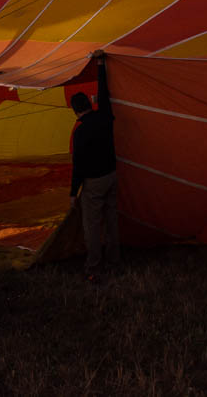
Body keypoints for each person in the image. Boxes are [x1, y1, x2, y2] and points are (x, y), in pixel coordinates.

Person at [69, 50, 120, 282]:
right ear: (90, 103)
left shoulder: (80, 132)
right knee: (111, 220)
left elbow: (78, 165)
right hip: (112, 174)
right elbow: (104, 93)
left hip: (94, 182)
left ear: (75, 111)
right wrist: (100, 64)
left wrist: (73, 192)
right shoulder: (104, 116)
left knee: (91, 225)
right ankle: (114, 262)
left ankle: (94, 267)